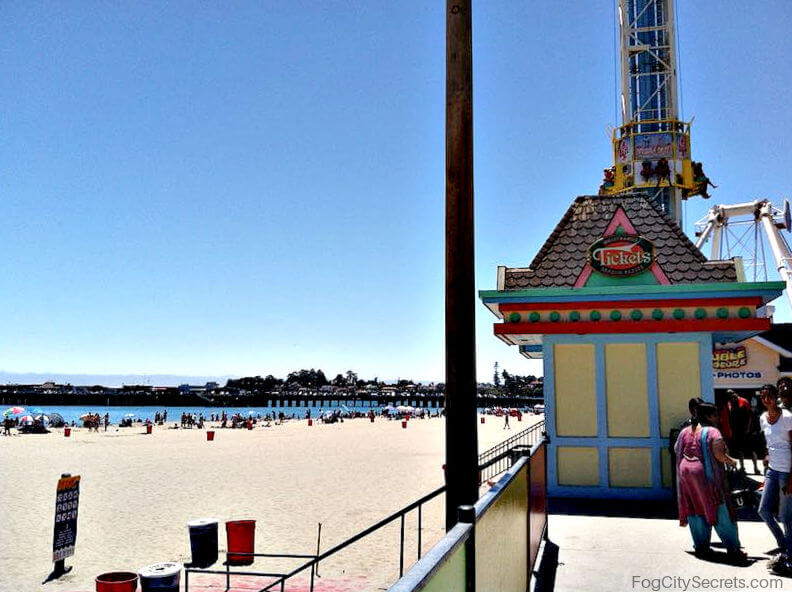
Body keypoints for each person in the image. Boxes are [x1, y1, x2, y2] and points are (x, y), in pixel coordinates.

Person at [674, 402, 745, 562]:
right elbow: (719, 454)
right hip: (707, 477)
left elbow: (676, 448)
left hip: (686, 476)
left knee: (695, 509)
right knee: (720, 510)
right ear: (708, 416)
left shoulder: (685, 431)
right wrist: (731, 461)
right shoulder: (712, 431)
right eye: (715, 415)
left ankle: (701, 546)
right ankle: (733, 549)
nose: (718, 418)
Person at [757, 384, 792, 569]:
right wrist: (767, 454)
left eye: (769, 395)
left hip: (787, 470)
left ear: (775, 396)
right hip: (772, 470)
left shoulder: (787, 417)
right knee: (763, 510)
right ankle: (784, 545)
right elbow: (768, 442)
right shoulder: (763, 418)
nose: (766, 399)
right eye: (762, 396)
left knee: (786, 516)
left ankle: (789, 554)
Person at [728, 390, 753, 472]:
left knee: (751, 449)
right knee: (740, 450)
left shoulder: (744, 401)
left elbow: (750, 415)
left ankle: (756, 468)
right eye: (730, 396)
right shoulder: (729, 403)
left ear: (736, 394)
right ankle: (742, 467)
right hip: (736, 430)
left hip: (746, 429)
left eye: (733, 395)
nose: (732, 397)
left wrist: (748, 428)